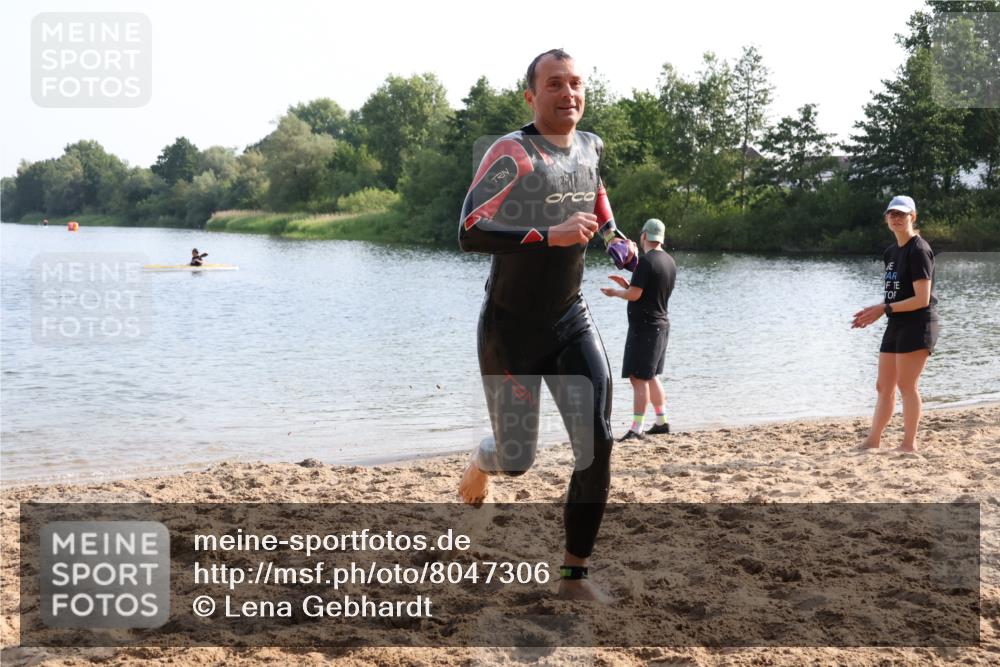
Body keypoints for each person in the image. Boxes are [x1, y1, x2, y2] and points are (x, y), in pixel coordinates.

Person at [456, 48, 638, 603]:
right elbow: (469, 229)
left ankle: (574, 575)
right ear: (531, 96)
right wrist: (547, 234)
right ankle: (482, 463)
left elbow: (595, 189)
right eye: (554, 84)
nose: (568, 93)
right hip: (510, 330)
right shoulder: (512, 152)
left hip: (569, 317)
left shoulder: (591, 144)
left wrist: (613, 236)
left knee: (598, 442)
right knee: (518, 459)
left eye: (576, 83)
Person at [852, 195, 939, 452]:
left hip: (919, 323)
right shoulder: (891, 252)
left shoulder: (919, 250)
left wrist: (883, 308)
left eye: (902, 214)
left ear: (913, 216)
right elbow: (899, 294)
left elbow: (922, 299)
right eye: (892, 214)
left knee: (906, 385)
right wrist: (878, 309)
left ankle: (908, 444)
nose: (897, 218)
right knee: (883, 386)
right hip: (896, 322)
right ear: (886, 219)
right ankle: (873, 440)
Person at [601, 218, 677, 441]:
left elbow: (636, 295)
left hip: (645, 328)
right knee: (651, 375)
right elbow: (648, 291)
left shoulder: (646, 262)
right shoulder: (669, 261)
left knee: (638, 378)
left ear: (644, 236)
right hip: (661, 325)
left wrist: (616, 292)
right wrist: (627, 285)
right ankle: (661, 422)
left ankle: (637, 428)